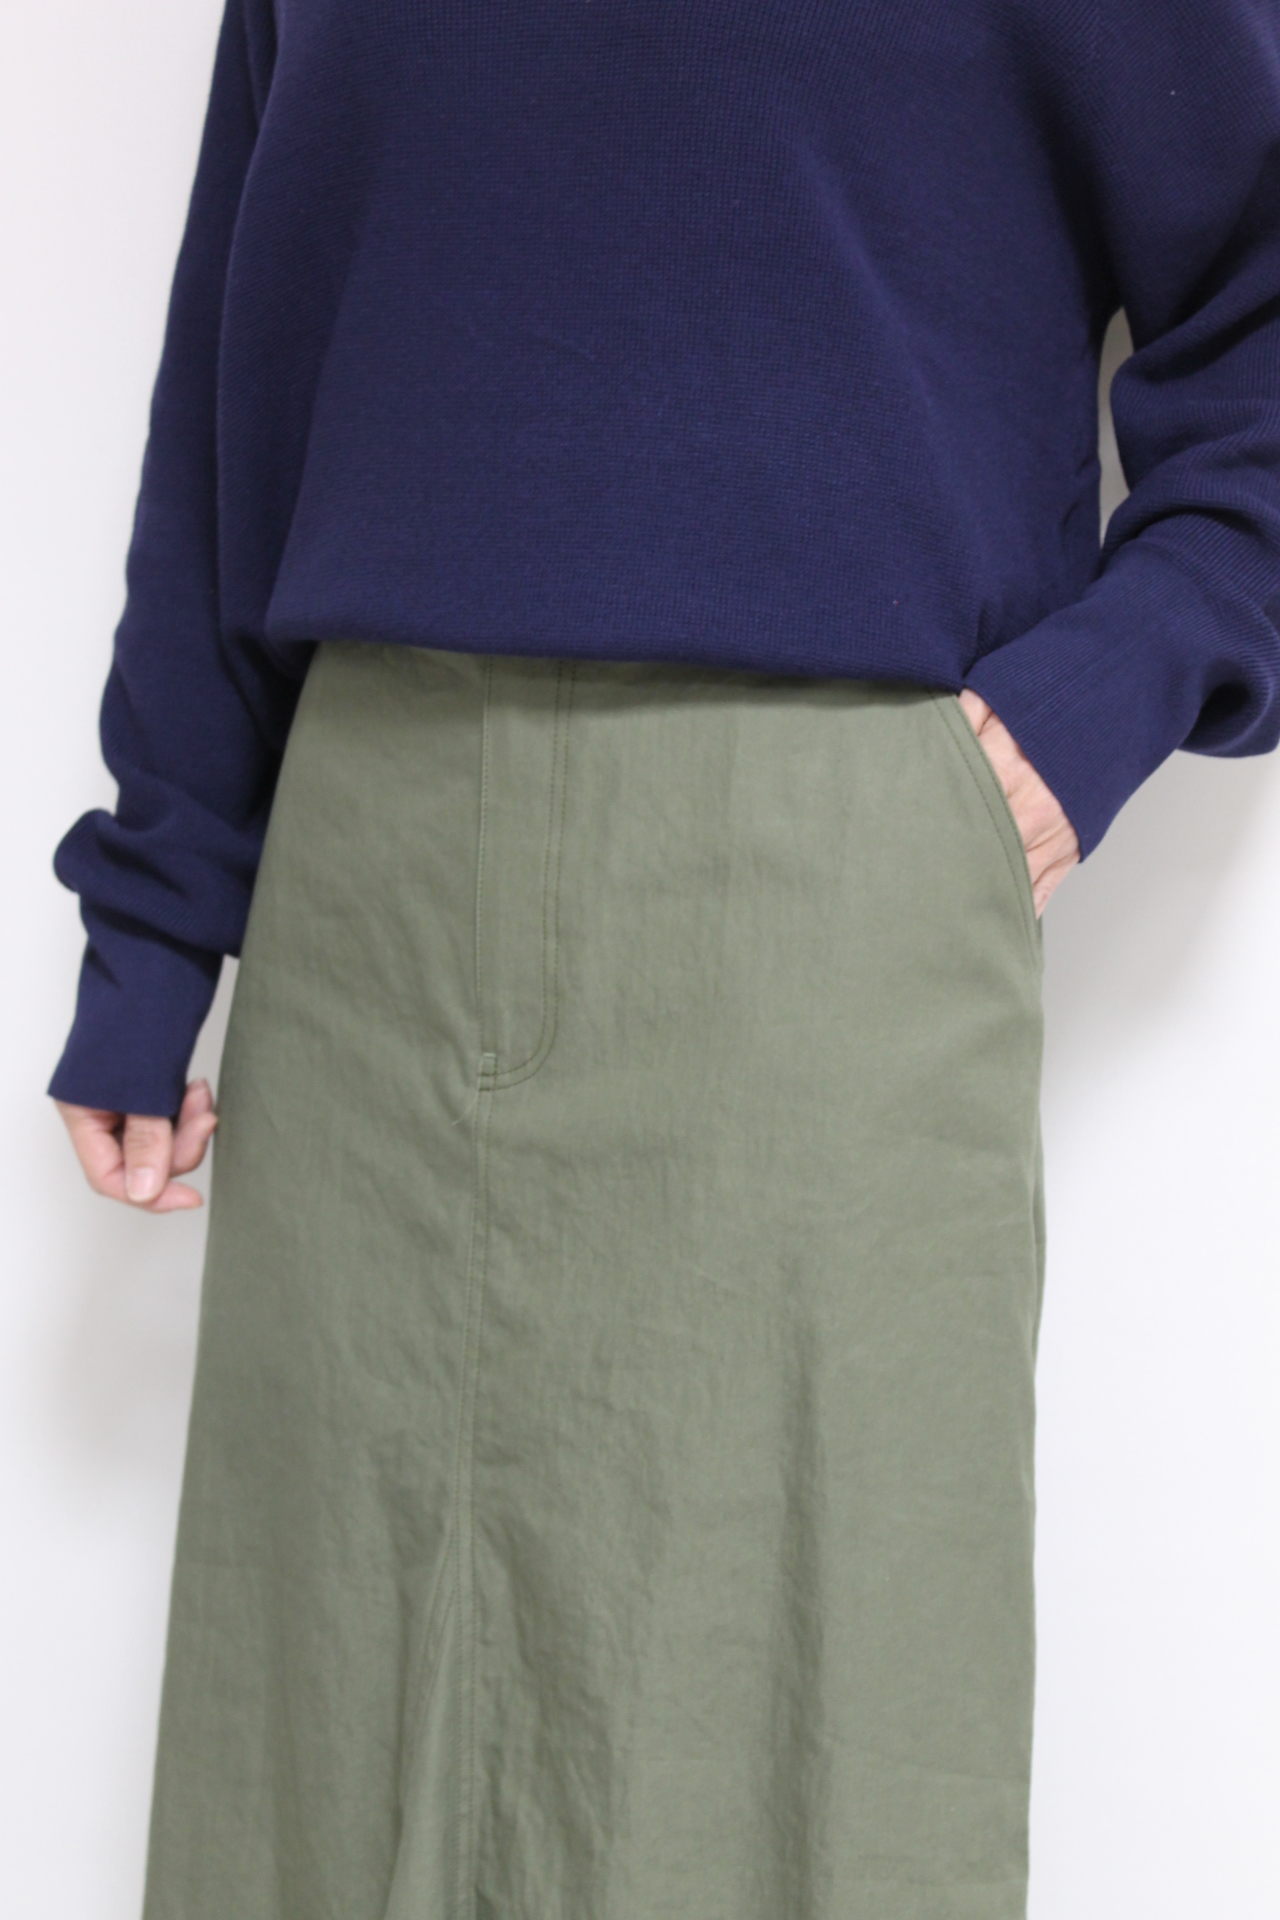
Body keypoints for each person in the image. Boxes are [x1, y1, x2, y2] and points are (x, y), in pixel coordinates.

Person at [49, 3, 1280, 1913]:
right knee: (319, 1790)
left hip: (825, 895)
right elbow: (244, 344)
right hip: (367, 891)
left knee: (797, 1782)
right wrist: (160, 900)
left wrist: (1108, 691)